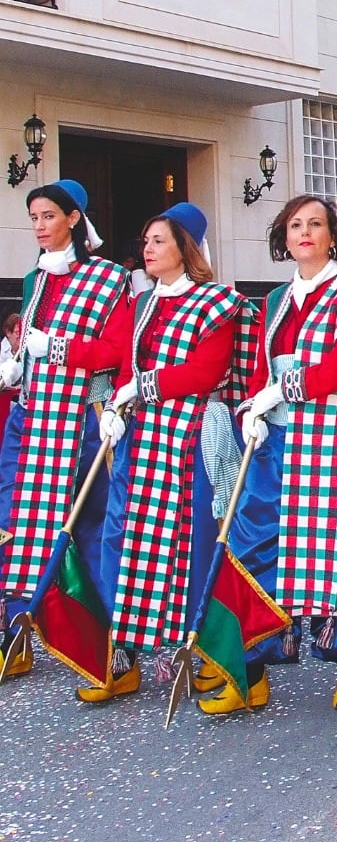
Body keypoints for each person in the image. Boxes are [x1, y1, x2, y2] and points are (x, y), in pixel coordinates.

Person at [196, 195, 337, 716]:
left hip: (331, 439)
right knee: (252, 548)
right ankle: (251, 670)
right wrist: (255, 404)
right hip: (275, 442)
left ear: (333, 234)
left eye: (315, 224)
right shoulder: (275, 299)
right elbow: (259, 366)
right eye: (295, 225)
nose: (305, 232)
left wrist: (283, 388)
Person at [80, 204, 256, 702]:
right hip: (140, 439)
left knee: (194, 542)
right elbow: (123, 363)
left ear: (185, 246)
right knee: (121, 538)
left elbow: (207, 371)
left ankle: (210, 651)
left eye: (158, 241)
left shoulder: (218, 302)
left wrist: (142, 386)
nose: (148, 249)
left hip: (190, 439)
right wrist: (116, 399)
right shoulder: (139, 305)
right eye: (145, 241)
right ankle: (125, 650)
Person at [0, 180, 131, 676]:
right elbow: (28, 336)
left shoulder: (108, 278)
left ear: (74, 219)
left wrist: (53, 349)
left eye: (49, 216)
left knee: (91, 526)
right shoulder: (36, 279)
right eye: (34, 217)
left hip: (81, 417)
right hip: (30, 414)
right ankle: (17, 631)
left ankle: (110, 644)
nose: (39, 226)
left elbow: (115, 351)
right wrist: (18, 363)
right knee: (14, 519)